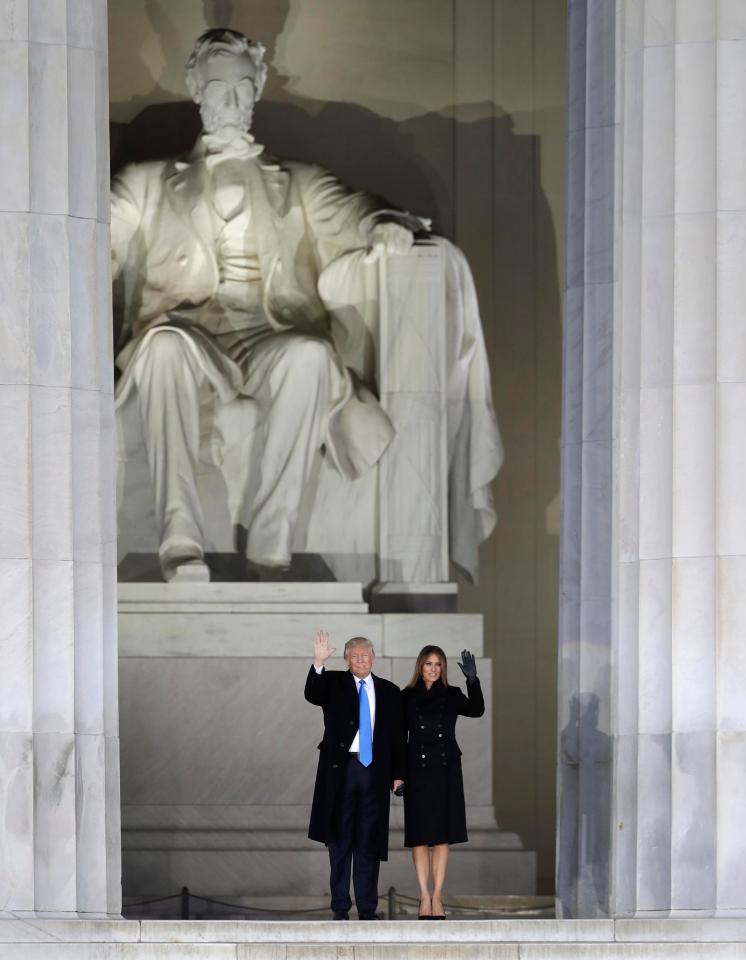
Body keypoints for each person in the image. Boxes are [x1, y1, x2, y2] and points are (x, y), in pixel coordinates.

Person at [110, 28, 422, 582]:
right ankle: (180, 541)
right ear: (195, 90)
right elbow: (93, 230)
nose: (229, 103)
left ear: (256, 91)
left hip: (266, 336)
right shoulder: (147, 183)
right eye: (217, 89)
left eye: (240, 90)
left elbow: (353, 210)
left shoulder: (297, 183)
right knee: (158, 350)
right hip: (185, 332)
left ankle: (270, 548)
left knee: (310, 357)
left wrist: (383, 224)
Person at [305, 630, 405, 920]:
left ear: (373, 658)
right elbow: (313, 693)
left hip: (375, 772)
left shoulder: (389, 691)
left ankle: (368, 908)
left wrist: (398, 774)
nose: (360, 659)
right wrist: (318, 661)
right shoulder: (333, 683)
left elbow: (399, 736)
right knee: (339, 840)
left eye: (365, 655)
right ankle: (339, 907)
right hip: (342, 772)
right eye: (354, 656)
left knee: (368, 841)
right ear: (347, 659)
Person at [401, 645, 484, 919]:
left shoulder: (452, 695)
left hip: (446, 769)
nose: (433, 669)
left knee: (441, 837)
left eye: (438, 664)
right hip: (417, 771)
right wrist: (397, 775)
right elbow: (398, 740)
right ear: (420, 666)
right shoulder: (406, 696)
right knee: (420, 838)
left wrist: (472, 680)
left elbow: (477, 710)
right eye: (428, 663)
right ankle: (423, 897)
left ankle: (437, 896)